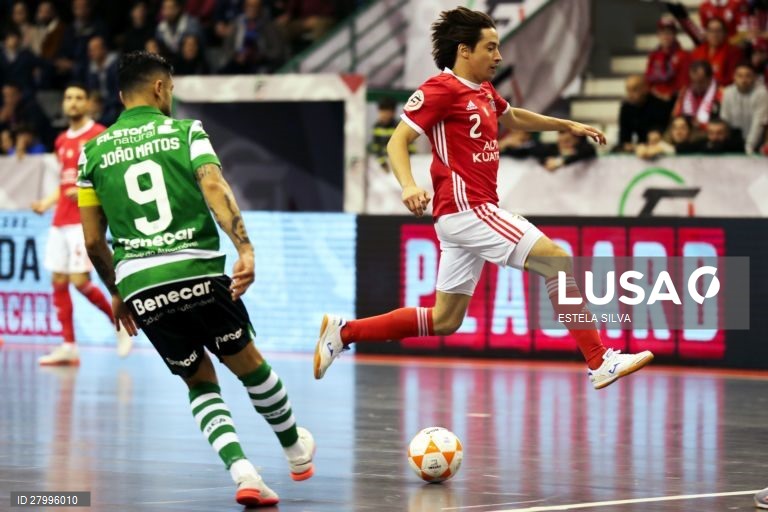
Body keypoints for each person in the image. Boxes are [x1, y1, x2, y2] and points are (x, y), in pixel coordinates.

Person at [313, 7, 654, 390]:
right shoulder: (440, 89)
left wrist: (566, 124)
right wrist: (408, 185)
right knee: (556, 261)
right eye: (490, 48)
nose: (498, 56)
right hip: (469, 209)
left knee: (445, 319)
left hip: (461, 217)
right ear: (464, 51)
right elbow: (398, 141)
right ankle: (599, 359)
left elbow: (515, 117)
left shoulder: (483, 91)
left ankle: (344, 333)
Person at [76, 51, 315, 506]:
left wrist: (118, 291)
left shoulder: (91, 153)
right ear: (161, 88)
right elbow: (213, 186)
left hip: (141, 285)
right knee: (249, 365)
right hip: (198, 273)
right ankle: (295, 450)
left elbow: (92, 242)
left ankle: (245, 474)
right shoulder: (187, 132)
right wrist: (245, 247)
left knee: (198, 380)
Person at [31, 84, 132, 365]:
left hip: (82, 219)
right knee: (58, 280)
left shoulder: (99, 135)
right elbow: (64, 182)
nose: (72, 103)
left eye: (78, 98)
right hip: (59, 219)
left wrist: (91, 192)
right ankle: (68, 346)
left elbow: (112, 176)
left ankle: (121, 321)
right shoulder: (62, 140)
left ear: (89, 103)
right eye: (68, 98)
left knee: (79, 281)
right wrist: (46, 201)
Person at [720, 62, 768, 153]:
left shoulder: (762, 93)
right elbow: (725, 120)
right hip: (733, 142)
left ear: (754, 77)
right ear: (734, 77)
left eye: (748, 76)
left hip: (757, 144)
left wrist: (749, 147)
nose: (744, 80)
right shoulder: (727, 93)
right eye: (740, 76)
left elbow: (758, 123)